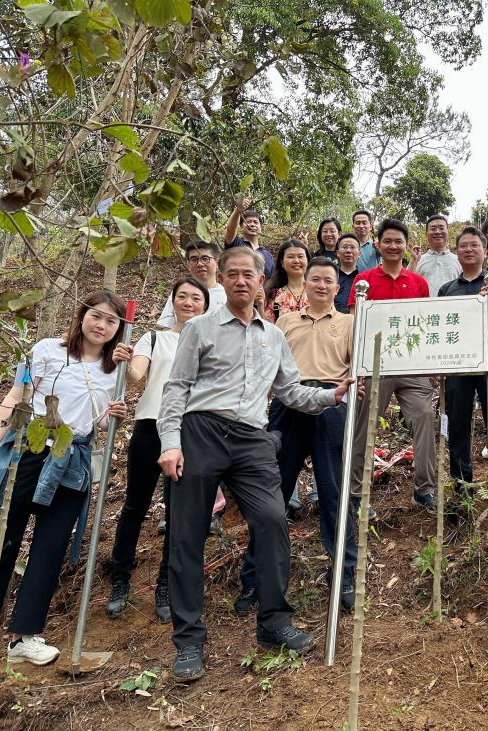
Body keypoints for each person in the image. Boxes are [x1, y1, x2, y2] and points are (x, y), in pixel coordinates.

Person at [157, 247, 352, 680]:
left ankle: (273, 621)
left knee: (271, 520)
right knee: (186, 537)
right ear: (222, 281)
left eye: (250, 274)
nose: (242, 281)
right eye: (233, 274)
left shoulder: (274, 336)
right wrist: (171, 443)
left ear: (263, 280)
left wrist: (330, 395)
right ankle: (189, 640)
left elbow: (291, 392)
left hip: (252, 437)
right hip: (201, 431)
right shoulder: (200, 329)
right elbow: (176, 388)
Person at [0, 292, 129, 682]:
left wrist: (115, 416)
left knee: (49, 548)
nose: (102, 325)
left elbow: (98, 422)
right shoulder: (46, 350)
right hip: (29, 451)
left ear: (118, 329)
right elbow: (16, 397)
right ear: (82, 316)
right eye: (96, 316)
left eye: (111, 321)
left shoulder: (116, 372)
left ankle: (23, 635)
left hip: (72, 462)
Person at [241, 257, 359, 613]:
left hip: (331, 406)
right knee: (271, 495)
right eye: (316, 280)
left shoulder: (351, 322)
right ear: (304, 285)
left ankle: (345, 574)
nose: (322, 285)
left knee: (334, 495)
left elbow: (358, 364)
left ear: (338, 288)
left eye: (329, 281)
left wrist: (349, 389)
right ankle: (254, 579)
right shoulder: (285, 322)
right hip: (287, 404)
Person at [106, 277, 210, 624]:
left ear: (206, 306)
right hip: (150, 424)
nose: (189, 302)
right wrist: (124, 357)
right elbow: (136, 375)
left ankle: (165, 585)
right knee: (135, 505)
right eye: (182, 296)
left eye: (196, 298)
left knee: (178, 510)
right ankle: (119, 580)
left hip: (188, 430)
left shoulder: (210, 341)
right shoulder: (154, 338)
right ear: (173, 302)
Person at [348, 218, 436, 508]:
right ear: (378, 244)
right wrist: (356, 369)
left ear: (406, 246)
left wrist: (429, 367)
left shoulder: (419, 283)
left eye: (399, 241)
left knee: (424, 417)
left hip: (412, 366)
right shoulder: (364, 282)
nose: (394, 246)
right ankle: (358, 494)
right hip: (375, 366)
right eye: (388, 241)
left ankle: (425, 489)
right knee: (365, 426)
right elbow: (354, 324)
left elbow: (425, 326)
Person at [439, 227, 488, 493]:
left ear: (485, 251)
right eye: (463, 246)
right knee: (458, 425)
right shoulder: (447, 289)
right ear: (456, 251)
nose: (469, 250)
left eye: (475, 245)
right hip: (457, 367)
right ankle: (462, 486)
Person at [157, 241, 226, 327]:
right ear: (188, 264)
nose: (200, 264)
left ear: (217, 262)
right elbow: (166, 326)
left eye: (205, 258)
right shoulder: (181, 292)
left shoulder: (226, 296)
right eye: (194, 259)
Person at [411, 214, 462, 296]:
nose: (438, 232)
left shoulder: (459, 260)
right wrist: (413, 261)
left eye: (441, 228)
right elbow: (407, 283)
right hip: (425, 307)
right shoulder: (417, 261)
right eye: (433, 229)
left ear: (448, 232)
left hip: (453, 307)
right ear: (426, 234)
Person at [223, 200, 274, 279]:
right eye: (248, 222)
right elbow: (230, 229)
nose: (252, 224)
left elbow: (272, 280)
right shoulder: (235, 243)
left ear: (261, 228)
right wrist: (238, 210)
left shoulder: (268, 255)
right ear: (240, 227)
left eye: (255, 222)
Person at [265, 239, 311, 322]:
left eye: (300, 256)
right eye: (290, 257)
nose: (296, 261)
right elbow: (268, 330)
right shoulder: (273, 296)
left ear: (307, 260)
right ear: (282, 262)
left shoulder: (318, 291)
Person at [334, 234, 360, 314]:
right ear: (338, 253)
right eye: (344, 247)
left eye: (352, 247)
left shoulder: (364, 279)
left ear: (359, 254)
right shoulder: (330, 278)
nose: (348, 251)